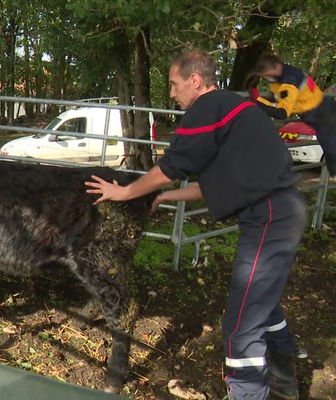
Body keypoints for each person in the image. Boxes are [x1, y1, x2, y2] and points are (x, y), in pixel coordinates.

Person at [85, 51, 306, 400]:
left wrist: (126, 191)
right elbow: (212, 184)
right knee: (262, 300)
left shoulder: (207, 107)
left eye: (174, 85)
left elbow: (172, 166)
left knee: (239, 325)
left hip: (268, 216)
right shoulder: (236, 110)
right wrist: (164, 198)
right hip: (284, 210)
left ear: (195, 81)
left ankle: (250, 391)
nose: (172, 94)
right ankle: (284, 376)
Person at [248, 54, 336, 175]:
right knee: (331, 153)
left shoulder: (289, 80)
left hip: (322, 115)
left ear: (277, 66)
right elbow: (280, 102)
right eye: (264, 76)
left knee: (332, 153)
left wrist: (255, 102)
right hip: (320, 112)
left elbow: (281, 112)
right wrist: (259, 98)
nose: (267, 77)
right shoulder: (281, 78)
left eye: (268, 74)